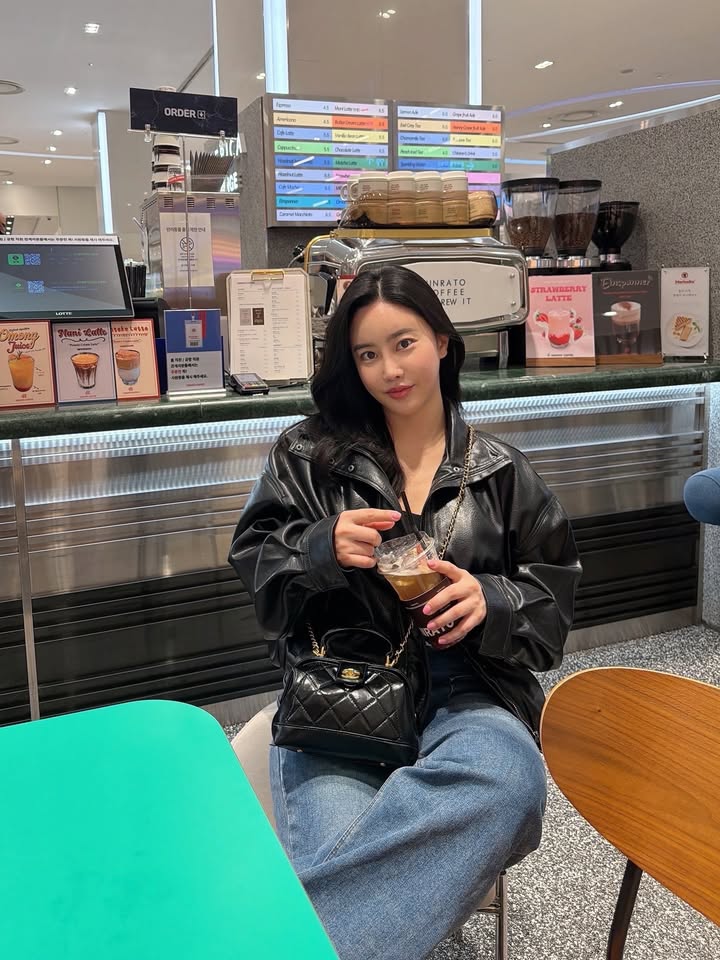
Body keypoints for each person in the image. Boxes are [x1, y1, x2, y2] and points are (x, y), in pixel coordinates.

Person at [229, 265, 581, 960]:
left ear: (443, 342)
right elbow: (256, 570)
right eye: (367, 354)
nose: (389, 369)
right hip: (343, 693)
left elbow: (552, 615)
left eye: (404, 343)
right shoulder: (307, 457)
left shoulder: (503, 474)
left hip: (471, 693)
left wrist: (493, 600)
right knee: (341, 849)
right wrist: (320, 547)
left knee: (510, 783)